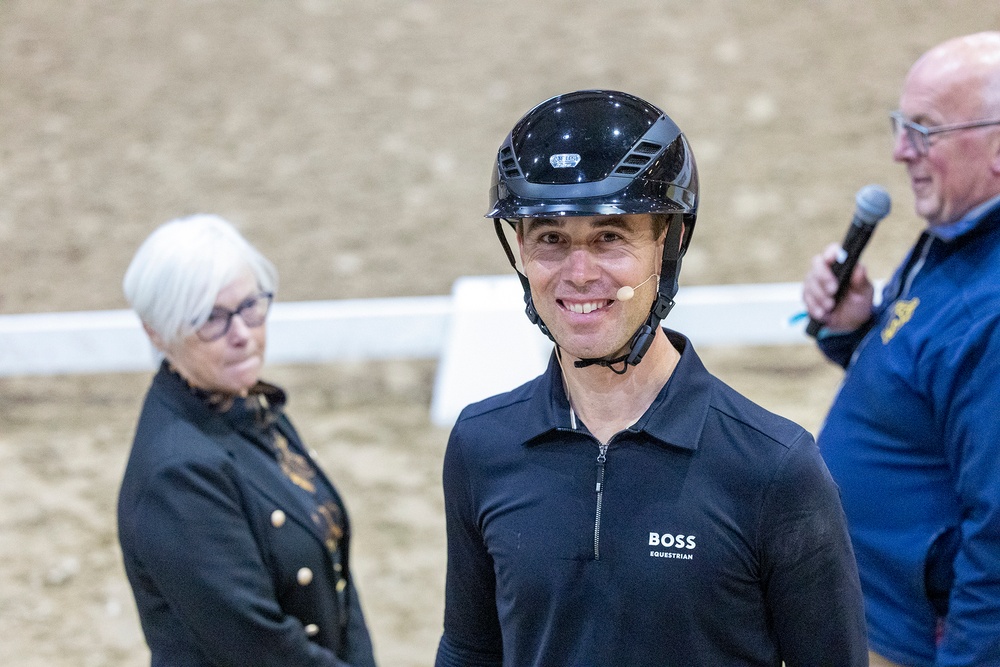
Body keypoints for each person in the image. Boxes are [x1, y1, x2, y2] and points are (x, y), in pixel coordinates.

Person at [434, 90, 867, 667]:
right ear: (519, 248)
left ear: (672, 241)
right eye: (550, 239)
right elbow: (469, 650)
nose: (579, 273)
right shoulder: (480, 444)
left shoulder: (774, 467)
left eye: (610, 237)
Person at [801, 32, 1000, 667]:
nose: (899, 150)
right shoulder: (954, 240)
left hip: (906, 644)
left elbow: (996, 541)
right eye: (901, 124)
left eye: (924, 129)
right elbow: (922, 386)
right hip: (859, 621)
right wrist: (856, 328)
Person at [117, 214, 377, 667]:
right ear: (156, 332)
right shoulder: (177, 474)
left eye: (250, 307)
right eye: (210, 320)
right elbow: (259, 648)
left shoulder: (246, 405)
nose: (241, 334)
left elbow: (333, 575)